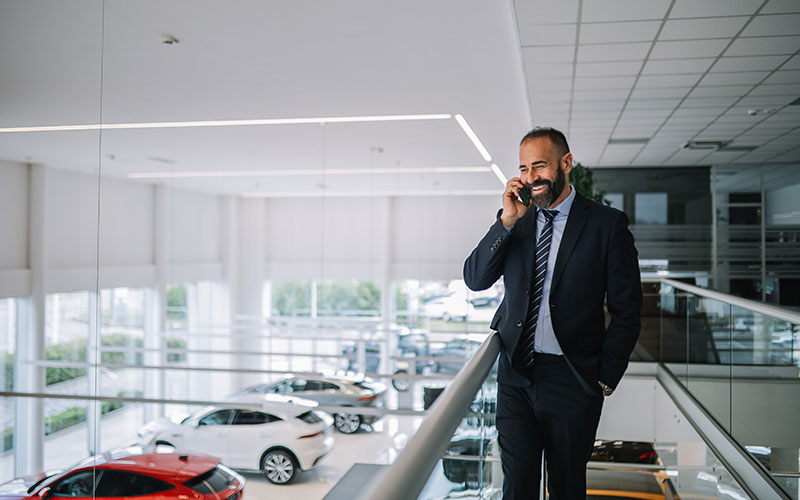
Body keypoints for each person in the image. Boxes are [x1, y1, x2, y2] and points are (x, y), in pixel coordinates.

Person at [463, 127, 642, 499]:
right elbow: (475, 279)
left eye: (539, 166)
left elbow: (628, 309)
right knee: (517, 487)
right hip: (516, 378)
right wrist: (506, 223)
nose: (531, 178)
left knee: (565, 487)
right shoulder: (516, 219)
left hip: (573, 379)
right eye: (524, 169)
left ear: (566, 163)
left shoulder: (606, 225)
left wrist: (604, 377)